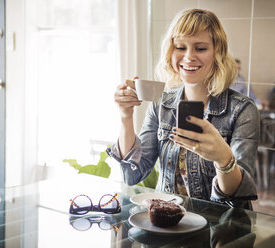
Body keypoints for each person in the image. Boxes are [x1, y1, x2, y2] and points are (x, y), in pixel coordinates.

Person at [107, 9, 260, 209]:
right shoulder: (161, 104)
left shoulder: (242, 111)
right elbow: (134, 173)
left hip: (217, 230)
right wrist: (126, 117)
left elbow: (236, 198)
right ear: (171, 51)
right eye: (180, 47)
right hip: (167, 222)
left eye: (201, 48)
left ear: (218, 53)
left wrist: (224, 159)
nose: (188, 57)